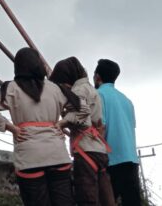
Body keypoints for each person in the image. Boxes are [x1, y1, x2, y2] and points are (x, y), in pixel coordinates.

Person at [0, 48, 75, 206]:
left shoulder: (10, 88)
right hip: (57, 154)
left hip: (28, 158)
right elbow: (81, 109)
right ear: (39, 63)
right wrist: (62, 123)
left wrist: (12, 128)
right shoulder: (55, 88)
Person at [49, 57, 115, 206]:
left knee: (87, 197)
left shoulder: (77, 90)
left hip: (85, 150)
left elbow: (82, 117)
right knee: (105, 198)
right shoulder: (91, 89)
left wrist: (61, 123)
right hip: (99, 149)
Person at [94, 59, 142, 206]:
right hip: (131, 159)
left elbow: (101, 127)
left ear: (97, 76)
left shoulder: (98, 95)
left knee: (106, 201)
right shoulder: (127, 100)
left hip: (111, 160)